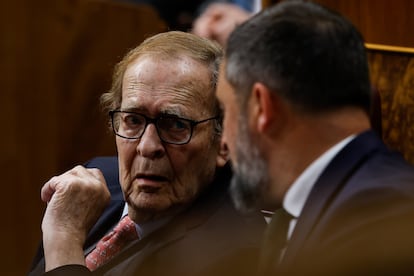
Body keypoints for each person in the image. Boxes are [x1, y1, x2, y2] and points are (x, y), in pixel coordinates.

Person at [29, 31, 265, 276]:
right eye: (133, 119)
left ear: (225, 141)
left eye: (176, 125)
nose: (147, 146)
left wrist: (64, 243)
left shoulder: (236, 252)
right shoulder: (92, 185)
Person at [216, 1, 414, 275]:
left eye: (225, 111)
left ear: (261, 107)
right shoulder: (337, 200)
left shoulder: (375, 216)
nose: (223, 142)